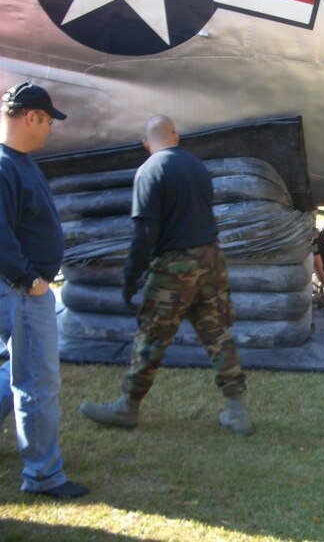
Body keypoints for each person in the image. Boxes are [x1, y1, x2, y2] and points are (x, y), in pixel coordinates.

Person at [79, 115, 253, 436]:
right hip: (210, 258)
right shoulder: (197, 167)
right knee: (216, 332)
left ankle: (128, 407)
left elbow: (145, 231)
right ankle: (237, 411)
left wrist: (131, 276)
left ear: (146, 143)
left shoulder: (150, 171)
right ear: (176, 136)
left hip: (175, 266)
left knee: (153, 336)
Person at [0, 82, 88, 498]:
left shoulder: (17, 160)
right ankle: (43, 476)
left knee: (23, 364)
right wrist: (31, 282)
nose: (51, 128)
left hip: (20, 289)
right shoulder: (0, 167)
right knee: (37, 382)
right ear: (30, 117)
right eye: (49, 120)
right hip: (15, 290)